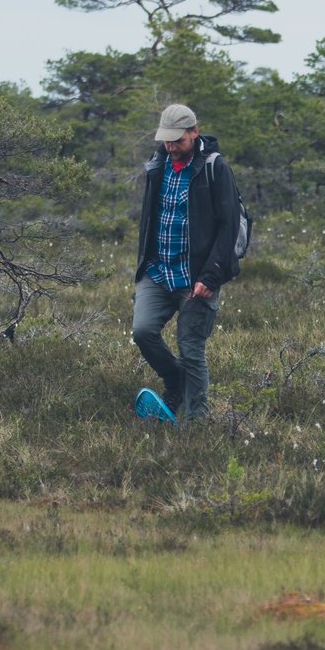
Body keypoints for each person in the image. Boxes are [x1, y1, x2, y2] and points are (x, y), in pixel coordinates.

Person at [131, 103, 242, 421]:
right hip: (157, 270)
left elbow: (229, 225)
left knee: (191, 349)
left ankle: (197, 424)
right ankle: (175, 380)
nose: (170, 146)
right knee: (143, 331)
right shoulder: (158, 164)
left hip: (197, 278)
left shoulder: (214, 168)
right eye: (166, 140)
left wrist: (212, 275)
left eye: (177, 140)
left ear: (194, 132)